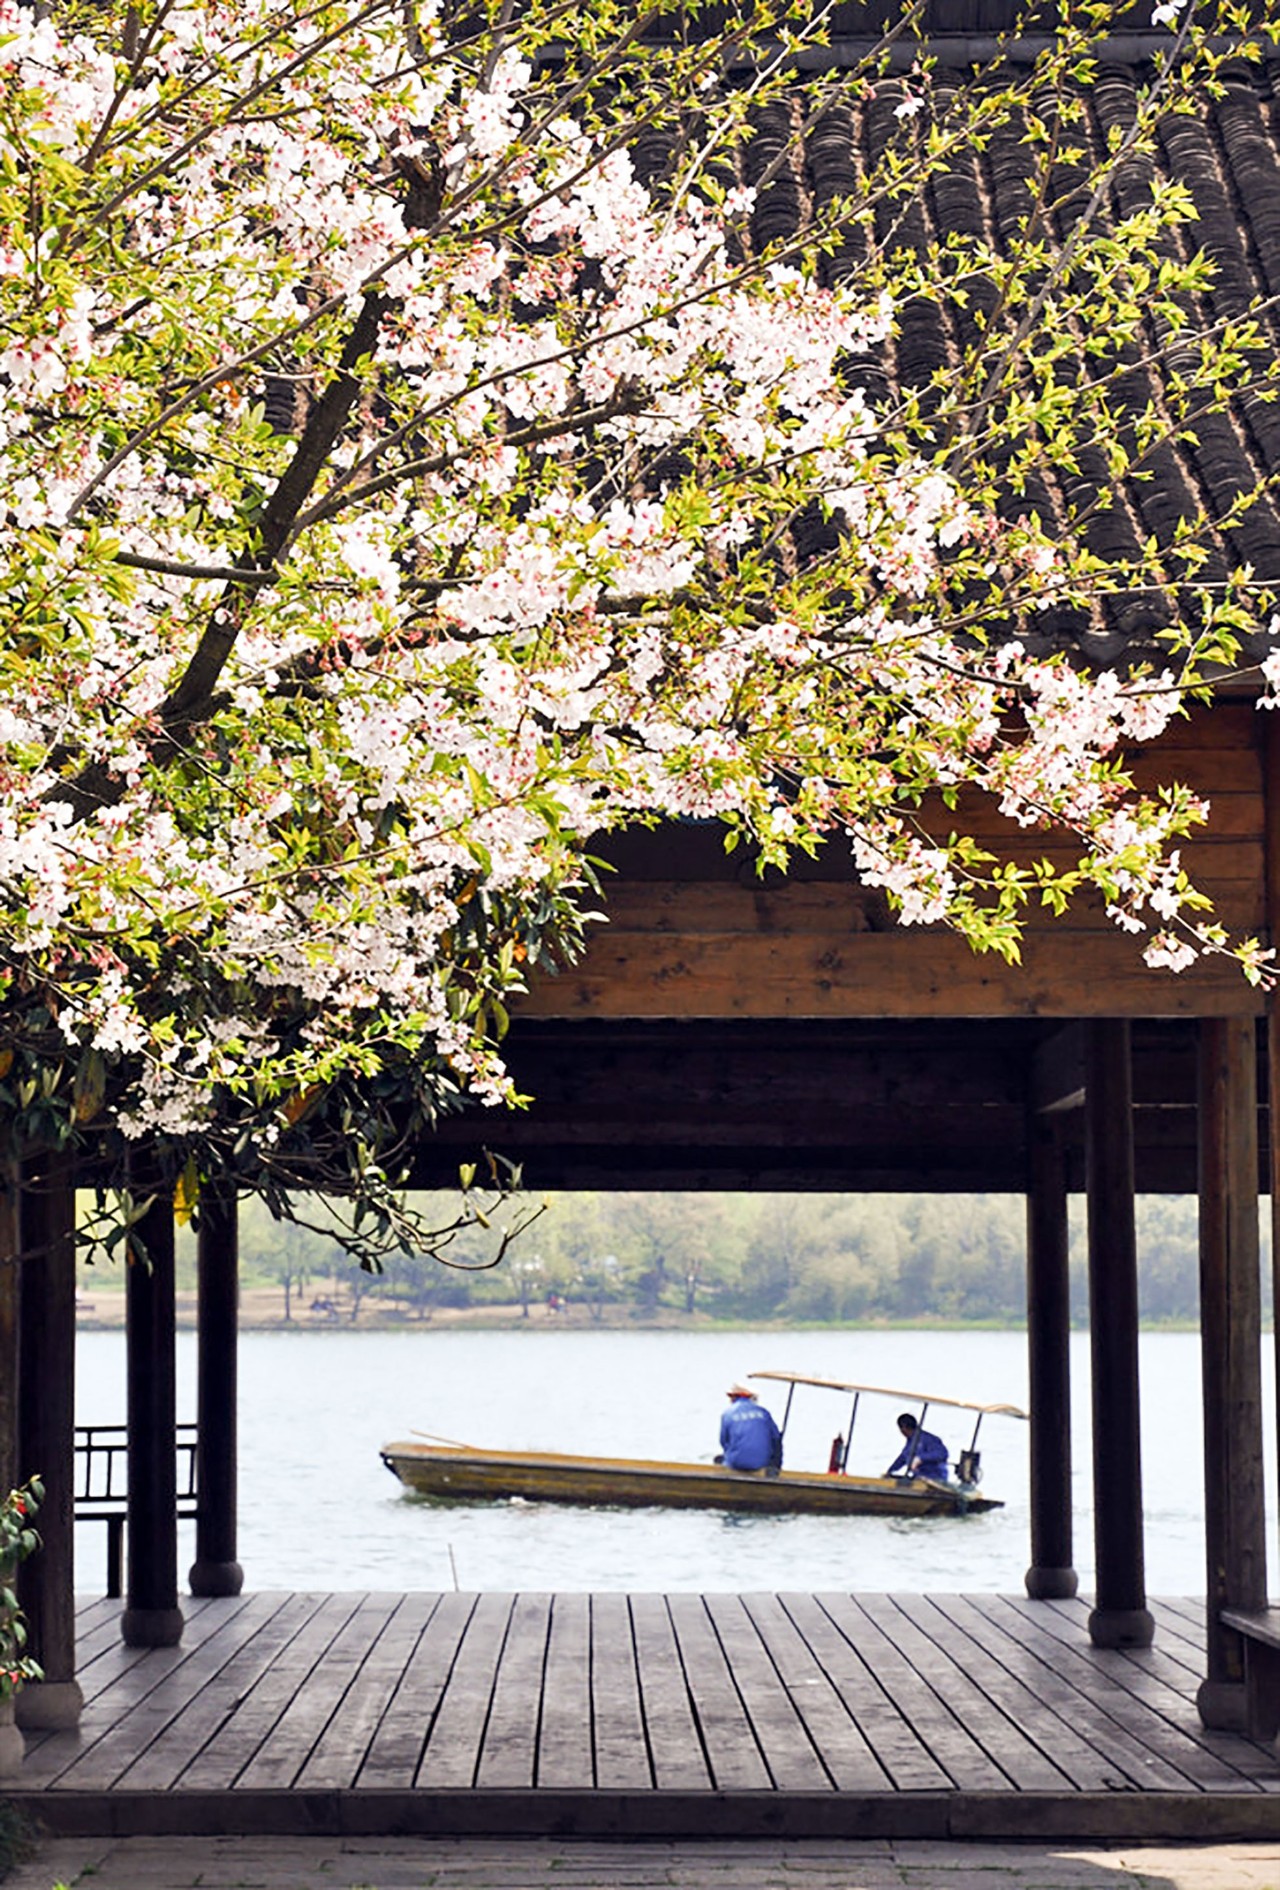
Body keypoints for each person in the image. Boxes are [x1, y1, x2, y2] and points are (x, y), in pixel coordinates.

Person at [717, 1384, 783, 1474]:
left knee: (719, 1459)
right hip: (762, 1463)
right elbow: (776, 1439)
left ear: (733, 1398)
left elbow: (724, 1442)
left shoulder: (727, 1414)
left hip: (736, 1463)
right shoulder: (763, 1412)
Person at [885, 1412, 949, 1482]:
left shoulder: (928, 1439)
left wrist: (920, 1458)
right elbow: (902, 1459)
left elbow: (942, 1453)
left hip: (934, 1478)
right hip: (918, 1478)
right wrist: (890, 1471)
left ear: (903, 1428)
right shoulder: (910, 1443)